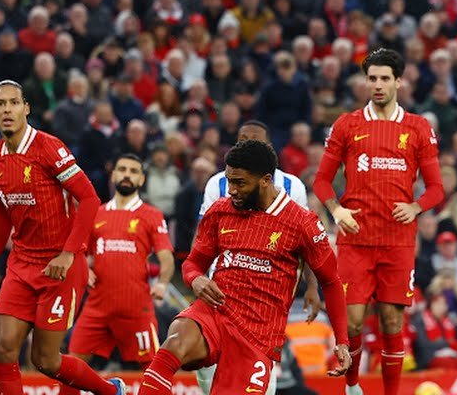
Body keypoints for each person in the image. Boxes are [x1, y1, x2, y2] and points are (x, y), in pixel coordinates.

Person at [136, 140, 351, 395]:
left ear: (265, 180)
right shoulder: (219, 211)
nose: (232, 190)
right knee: (174, 343)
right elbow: (193, 263)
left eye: (240, 183)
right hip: (214, 312)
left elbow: (331, 282)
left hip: (257, 335)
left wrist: (342, 341)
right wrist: (196, 279)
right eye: (229, 181)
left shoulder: (302, 223)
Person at [0, 80, 125, 394]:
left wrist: (68, 253)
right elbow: (2, 216)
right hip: (21, 264)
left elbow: (89, 199)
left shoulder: (49, 147)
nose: (7, 109)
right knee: (3, 349)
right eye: (0, 104)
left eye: (13, 103)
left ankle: (112, 391)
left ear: (26, 108)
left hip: (59, 267)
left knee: (44, 360)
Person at [312, 48, 444, 395]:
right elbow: (322, 180)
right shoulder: (347, 124)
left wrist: (416, 208)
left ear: (398, 81)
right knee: (352, 324)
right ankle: (353, 387)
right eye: (372, 78)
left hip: (397, 241)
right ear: (365, 81)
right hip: (355, 241)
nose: (378, 85)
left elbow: (437, 189)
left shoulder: (417, 127)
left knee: (391, 322)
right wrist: (336, 210)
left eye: (385, 78)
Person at [196, 119, 321, 395]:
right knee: (207, 355)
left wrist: (312, 286)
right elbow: (203, 236)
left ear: (269, 150)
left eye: (255, 141)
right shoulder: (217, 183)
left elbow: (306, 241)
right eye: (242, 140)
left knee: (258, 351)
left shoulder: (293, 186)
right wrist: (200, 276)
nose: (247, 145)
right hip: (222, 282)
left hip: (270, 285)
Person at [67, 153, 175, 375]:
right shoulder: (95, 212)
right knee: (70, 369)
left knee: (154, 373)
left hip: (137, 308)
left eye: (133, 171)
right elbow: (77, 252)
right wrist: (83, 269)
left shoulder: (151, 215)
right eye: (123, 169)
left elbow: (166, 258)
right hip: (97, 307)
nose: (127, 175)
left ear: (141, 180)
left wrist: (163, 283)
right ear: (113, 174)